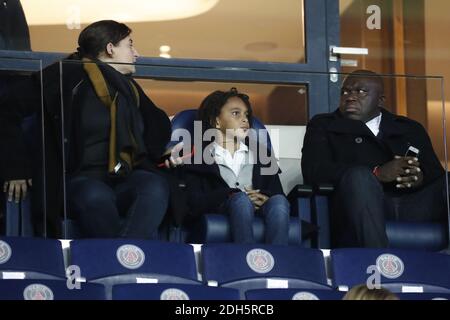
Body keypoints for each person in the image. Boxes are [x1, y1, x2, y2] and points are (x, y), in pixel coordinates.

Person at [0, 20, 180, 238]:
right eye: (130, 45)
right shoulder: (63, 75)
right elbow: (7, 110)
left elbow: (157, 124)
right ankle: (122, 262)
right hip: (76, 180)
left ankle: (122, 258)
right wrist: (16, 167)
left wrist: (161, 151)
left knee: (154, 187)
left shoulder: (128, 87)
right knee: (96, 196)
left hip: (122, 176)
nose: (137, 53)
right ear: (110, 49)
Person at [301, 69, 447, 248]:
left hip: (412, 205)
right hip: (358, 206)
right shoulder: (323, 125)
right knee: (360, 177)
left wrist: (419, 177)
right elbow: (314, 171)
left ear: (380, 100)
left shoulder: (409, 128)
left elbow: (436, 174)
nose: (351, 97)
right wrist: (376, 173)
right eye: (345, 91)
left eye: (361, 91)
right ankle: (378, 265)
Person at [182, 88, 290, 245]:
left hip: (260, 210)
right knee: (240, 200)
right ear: (216, 121)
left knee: (279, 201)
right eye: (235, 113)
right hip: (219, 209)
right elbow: (193, 202)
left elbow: (277, 193)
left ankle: (279, 261)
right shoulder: (197, 155)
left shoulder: (261, 153)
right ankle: (246, 259)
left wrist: (264, 197)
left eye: (246, 114)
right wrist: (232, 195)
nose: (245, 119)